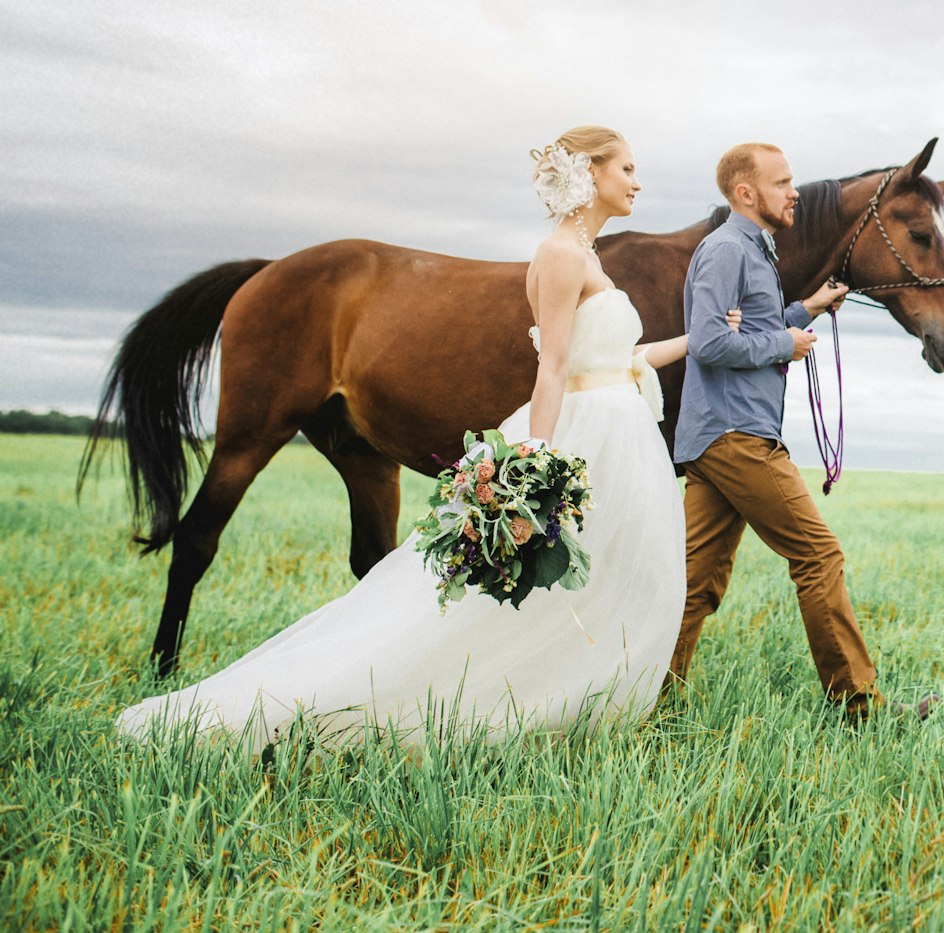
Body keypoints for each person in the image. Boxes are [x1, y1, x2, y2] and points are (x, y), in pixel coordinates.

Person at [118, 125, 724, 748]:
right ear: (592, 173)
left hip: (617, 423)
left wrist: (702, 338)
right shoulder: (564, 257)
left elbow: (619, 358)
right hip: (590, 426)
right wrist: (538, 456)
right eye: (626, 168)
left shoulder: (586, 256)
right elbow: (552, 369)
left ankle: (576, 706)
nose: (637, 181)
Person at [670, 142, 937, 723]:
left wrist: (806, 310)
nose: (795, 192)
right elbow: (709, 342)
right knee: (819, 555)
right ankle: (859, 706)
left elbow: (756, 328)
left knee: (695, 584)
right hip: (735, 434)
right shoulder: (724, 252)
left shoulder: (754, 251)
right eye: (782, 182)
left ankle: (652, 699)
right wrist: (782, 344)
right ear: (746, 193)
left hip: (723, 433)